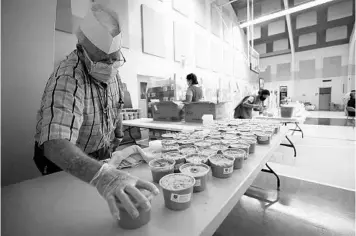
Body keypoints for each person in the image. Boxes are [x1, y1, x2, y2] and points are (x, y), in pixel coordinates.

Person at [33, 3, 159, 221]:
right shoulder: (68, 78)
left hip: (99, 153)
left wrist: (117, 135)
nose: (109, 65)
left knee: (100, 208)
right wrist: (103, 176)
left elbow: (116, 104)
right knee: (73, 213)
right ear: (81, 50)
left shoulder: (112, 73)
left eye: (114, 59)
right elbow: (55, 145)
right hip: (65, 160)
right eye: (102, 59)